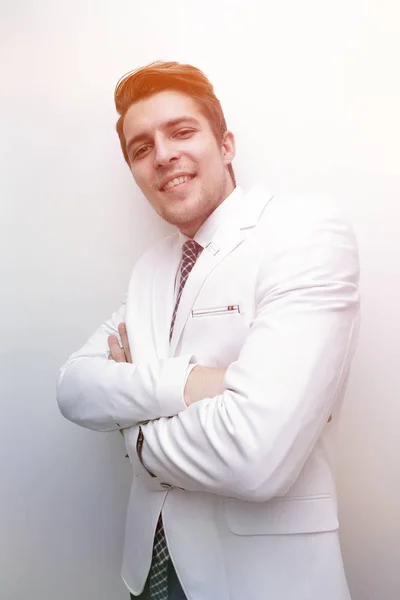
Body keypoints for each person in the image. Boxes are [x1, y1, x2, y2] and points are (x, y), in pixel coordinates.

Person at [57, 61, 360, 600]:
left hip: (261, 582)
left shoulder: (302, 232)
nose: (163, 155)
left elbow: (256, 455)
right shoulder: (150, 268)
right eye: (141, 147)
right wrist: (198, 383)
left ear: (226, 144)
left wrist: (136, 436)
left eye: (181, 131)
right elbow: (75, 387)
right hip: (146, 575)